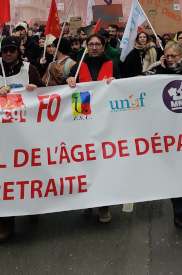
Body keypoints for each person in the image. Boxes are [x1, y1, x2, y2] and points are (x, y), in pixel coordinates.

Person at [0, 36, 44, 243]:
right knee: (4, 180)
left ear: (19, 51)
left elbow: (47, 94)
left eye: (12, 50)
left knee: (28, 175)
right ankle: (6, 223)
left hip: (27, 134)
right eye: (5, 50)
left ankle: (32, 206)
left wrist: (36, 91)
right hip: (1, 136)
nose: (8, 53)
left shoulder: (31, 70)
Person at [67, 33, 120, 223]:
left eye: (98, 44)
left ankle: (103, 206)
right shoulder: (77, 65)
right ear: (86, 46)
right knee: (85, 162)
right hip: (82, 118)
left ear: (104, 47)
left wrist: (116, 83)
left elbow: (122, 88)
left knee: (103, 163)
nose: (94, 47)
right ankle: (88, 200)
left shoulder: (112, 66)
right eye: (91, 44)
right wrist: (69, 81)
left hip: (105, 118)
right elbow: (67, 87)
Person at [144, 41, 182, 227]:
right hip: (168, 128)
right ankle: (178, 211)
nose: (169, 59)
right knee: (175, 167)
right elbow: (140, 82)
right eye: (167, 56)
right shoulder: (158, 70)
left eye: (173, 56)